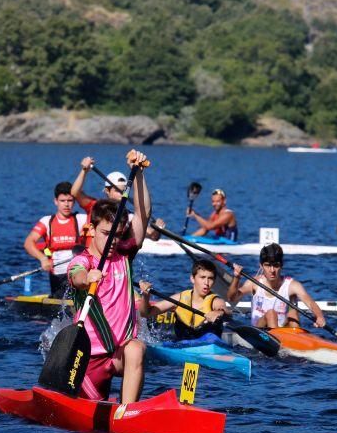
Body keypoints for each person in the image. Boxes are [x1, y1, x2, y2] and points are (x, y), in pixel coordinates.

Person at [67, 149, 151, 404]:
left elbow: (143, 212)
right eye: (107, 233)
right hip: (87, 357)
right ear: (91, 229)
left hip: (119, 354)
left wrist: (139, 174)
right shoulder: (82, 261)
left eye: (117, 234)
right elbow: (77, 277)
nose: (113, 240)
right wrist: (88, 278)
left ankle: (127, 412)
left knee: (137, 347)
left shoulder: (125, 254)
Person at [227, 243, 326, 329]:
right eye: (267, 265)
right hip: (260, 329)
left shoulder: (292, 285)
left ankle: (295, 340)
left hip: (281, 329)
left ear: (281, 265)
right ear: (261, 266)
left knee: (293, 313)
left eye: (276, 265)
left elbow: (310, 302)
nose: (272, 270)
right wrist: (236, 278)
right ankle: (280, 345)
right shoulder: (253, 283)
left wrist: (319, 316)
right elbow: (231, 298)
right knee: (271, 313)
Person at [71, 156, 165, 241]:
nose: (122, 194)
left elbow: (153, 236)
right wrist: (84, 170)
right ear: (107, 191)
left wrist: (158, 228)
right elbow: (75, 193)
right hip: (91, 258)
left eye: (124, 191)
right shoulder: (94, 206)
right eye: (117, 191)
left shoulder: (128, 216)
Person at [138, 259, 230, 340]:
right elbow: (146, 313)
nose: (206, 283)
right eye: (202, 277)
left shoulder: (215, 301)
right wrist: (145, 296)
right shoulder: (179, 299)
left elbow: (225, 311)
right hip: (182, 347)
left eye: (210, 278)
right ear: (192, 279)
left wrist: (218, 313)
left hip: (209, 348)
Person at [24, 181, 87, 298]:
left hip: (77, 270)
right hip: (57, 273)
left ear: (74, 202)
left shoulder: (81, 219)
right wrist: (43, 259)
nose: (66, 205)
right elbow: (28, 243)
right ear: (56, 201)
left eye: (70, 201)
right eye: (63, 201)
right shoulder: (46, 221)